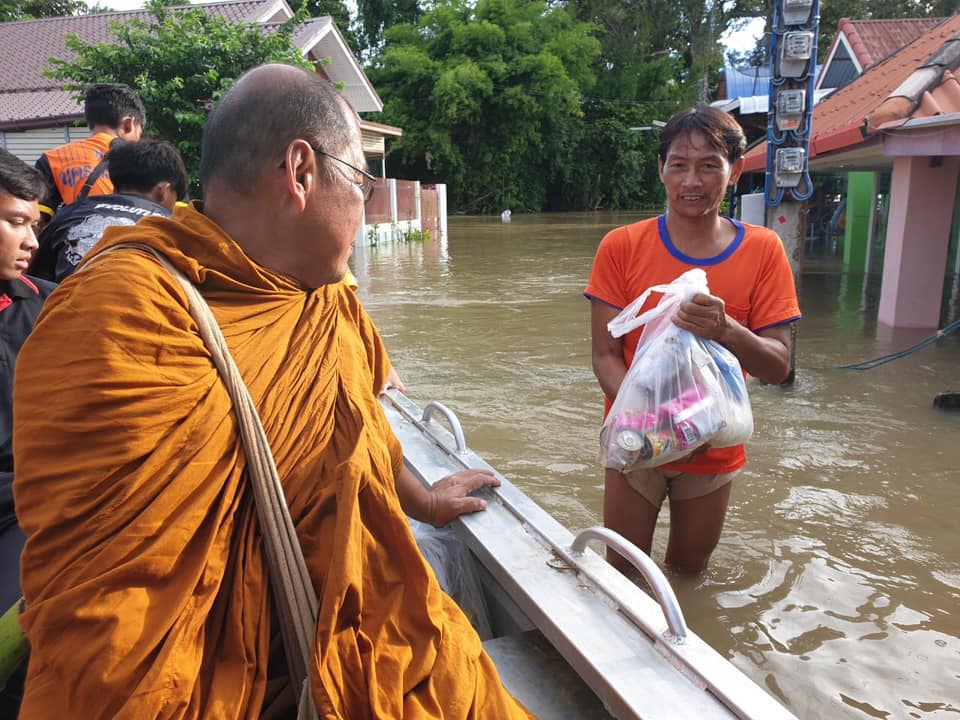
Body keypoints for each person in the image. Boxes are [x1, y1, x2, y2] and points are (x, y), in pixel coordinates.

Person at [13, 64, 531, 718]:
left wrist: (422, 501)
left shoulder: (326, 303)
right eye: (363, 184)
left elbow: (354, 426)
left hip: (340, 647)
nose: (370, 212)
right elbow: (115, 619)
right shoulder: (121, 314)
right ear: (301, 172)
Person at [584, 105, 801, 576]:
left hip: (715, 447)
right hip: (635, 440)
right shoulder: (621, 246)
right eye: (679, 164)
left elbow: (779, 367)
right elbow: (604, 354)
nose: (692, 181)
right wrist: (658, 431)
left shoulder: (763, 251)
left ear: (735, 171)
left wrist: (725, 330)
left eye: (709, 166)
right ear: (660, 169)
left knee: (689, 567)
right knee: (620, 568)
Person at [0, 149, 56, 617]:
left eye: (34, 225)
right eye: (17, 222)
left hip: (25, 505)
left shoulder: (52, 309)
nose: (33, 242)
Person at [31, 139, 188, 282]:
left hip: (69, 306)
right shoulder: (178, 229)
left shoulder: (70, 213)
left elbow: (35, 280)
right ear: (163, 190)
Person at [34, 83, 145, 212]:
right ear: (128, 124)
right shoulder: (144, 159)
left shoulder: (52, 159)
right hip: (128, 230)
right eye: (139, 134)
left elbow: (40, 218)